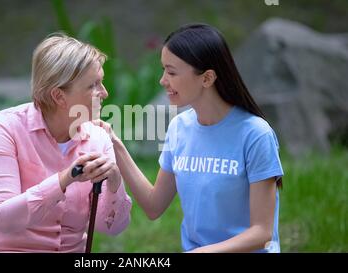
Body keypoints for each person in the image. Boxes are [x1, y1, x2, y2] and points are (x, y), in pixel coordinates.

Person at [93, 23, 284, 253]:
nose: (163, 80)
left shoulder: (255, 134)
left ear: (207, 78)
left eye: (172, 72)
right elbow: (154, 206)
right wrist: (114, 143)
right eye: (163, 70)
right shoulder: (179, 128)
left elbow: (262, 233)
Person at [0, 34, 132, 253]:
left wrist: (115, 181)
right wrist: (64, 179)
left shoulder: (98, 138)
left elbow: (112, 228)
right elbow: (3, 218)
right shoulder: (5, 128)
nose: (104, 93)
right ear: (59, 96)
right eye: (93, 86)